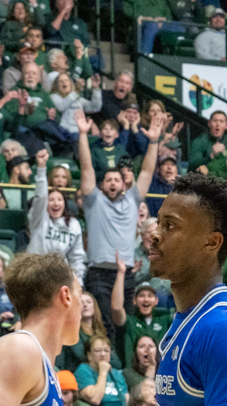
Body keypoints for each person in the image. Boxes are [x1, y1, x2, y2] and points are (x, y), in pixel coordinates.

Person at [77, 108, 162, 338]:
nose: (113, 182)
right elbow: (86, 168)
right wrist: (84, 135)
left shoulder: (133, 200)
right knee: (105, 326)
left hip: (126, 274)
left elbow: (146, 171)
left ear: (123, 185)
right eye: (108, 179)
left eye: (117, 179)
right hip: (99, 274)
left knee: (124, 327)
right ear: (102, 185)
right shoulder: (94, 201)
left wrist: (153, 141)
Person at [146, 173, 227, 404]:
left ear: (211, 242)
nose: (154, 234)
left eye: (170, 226)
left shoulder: (222, 329)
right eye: (158, 222)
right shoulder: (190, 318)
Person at [0, 253, 80, 405]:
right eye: (80, 293)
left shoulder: (41, 364)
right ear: (66, 296)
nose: (82, 306)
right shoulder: (20, 349)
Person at [26, 149, 86, 280]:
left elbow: (77, 257)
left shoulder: (73, 225)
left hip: (59, 277)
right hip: (35, 275)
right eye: (51, 200)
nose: (55, 203)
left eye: (59, 200)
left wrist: (78, 282)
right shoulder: (38, 218)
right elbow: (40, 197)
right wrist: (41, 168)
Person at [74, 335, 129, 406]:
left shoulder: (117, 374)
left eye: (106, 350)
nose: (103, 354)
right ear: (89, 355)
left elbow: (127, 400)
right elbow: (95, 399)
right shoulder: (83, 370)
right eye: (98, 350)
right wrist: (103, 372)